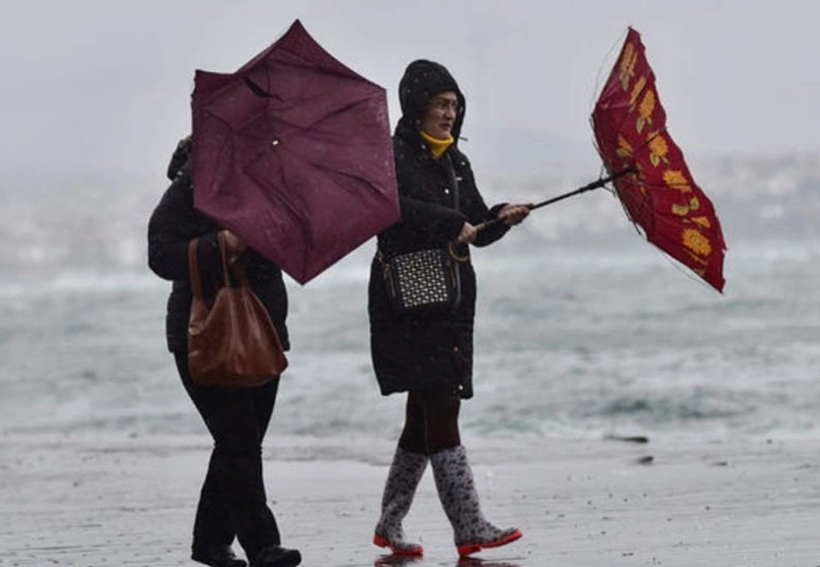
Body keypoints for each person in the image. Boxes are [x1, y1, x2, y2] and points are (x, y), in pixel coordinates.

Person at [368, 59, 531, 558]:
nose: (450, 114)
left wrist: (500, 218)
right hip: (406, 304)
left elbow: (474, 226)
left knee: (423, 414)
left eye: (456, 105)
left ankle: (388, 525)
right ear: (418, 106)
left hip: (451, 299)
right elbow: (388, 210)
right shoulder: (391, 155)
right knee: (441, 404)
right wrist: (446, 222)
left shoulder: (457, 161)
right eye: (441, 104)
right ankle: (469, 525)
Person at [148, 137, 302, 567]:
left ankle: (209, 542)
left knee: (240, 442)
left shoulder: (276, 181)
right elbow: (160, 253)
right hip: (205, 332)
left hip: (263, 329)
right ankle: (264, 546)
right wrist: (223, 244)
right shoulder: (197, 176)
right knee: (239, 441)